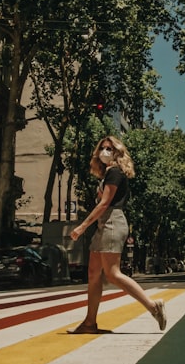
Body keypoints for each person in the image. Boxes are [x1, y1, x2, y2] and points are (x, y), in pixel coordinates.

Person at [68, 136, 166, 334]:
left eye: (109, 149)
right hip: (106, 223)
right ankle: (89, 323)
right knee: (93, 274)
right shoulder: (108, 175)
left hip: (112, 221)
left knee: (112, 273)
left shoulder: (114, 173)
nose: (104, 151)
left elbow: (104, 204)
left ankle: (153, 306)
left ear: (117, 152)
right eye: (102, 148)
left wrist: (82, 227)